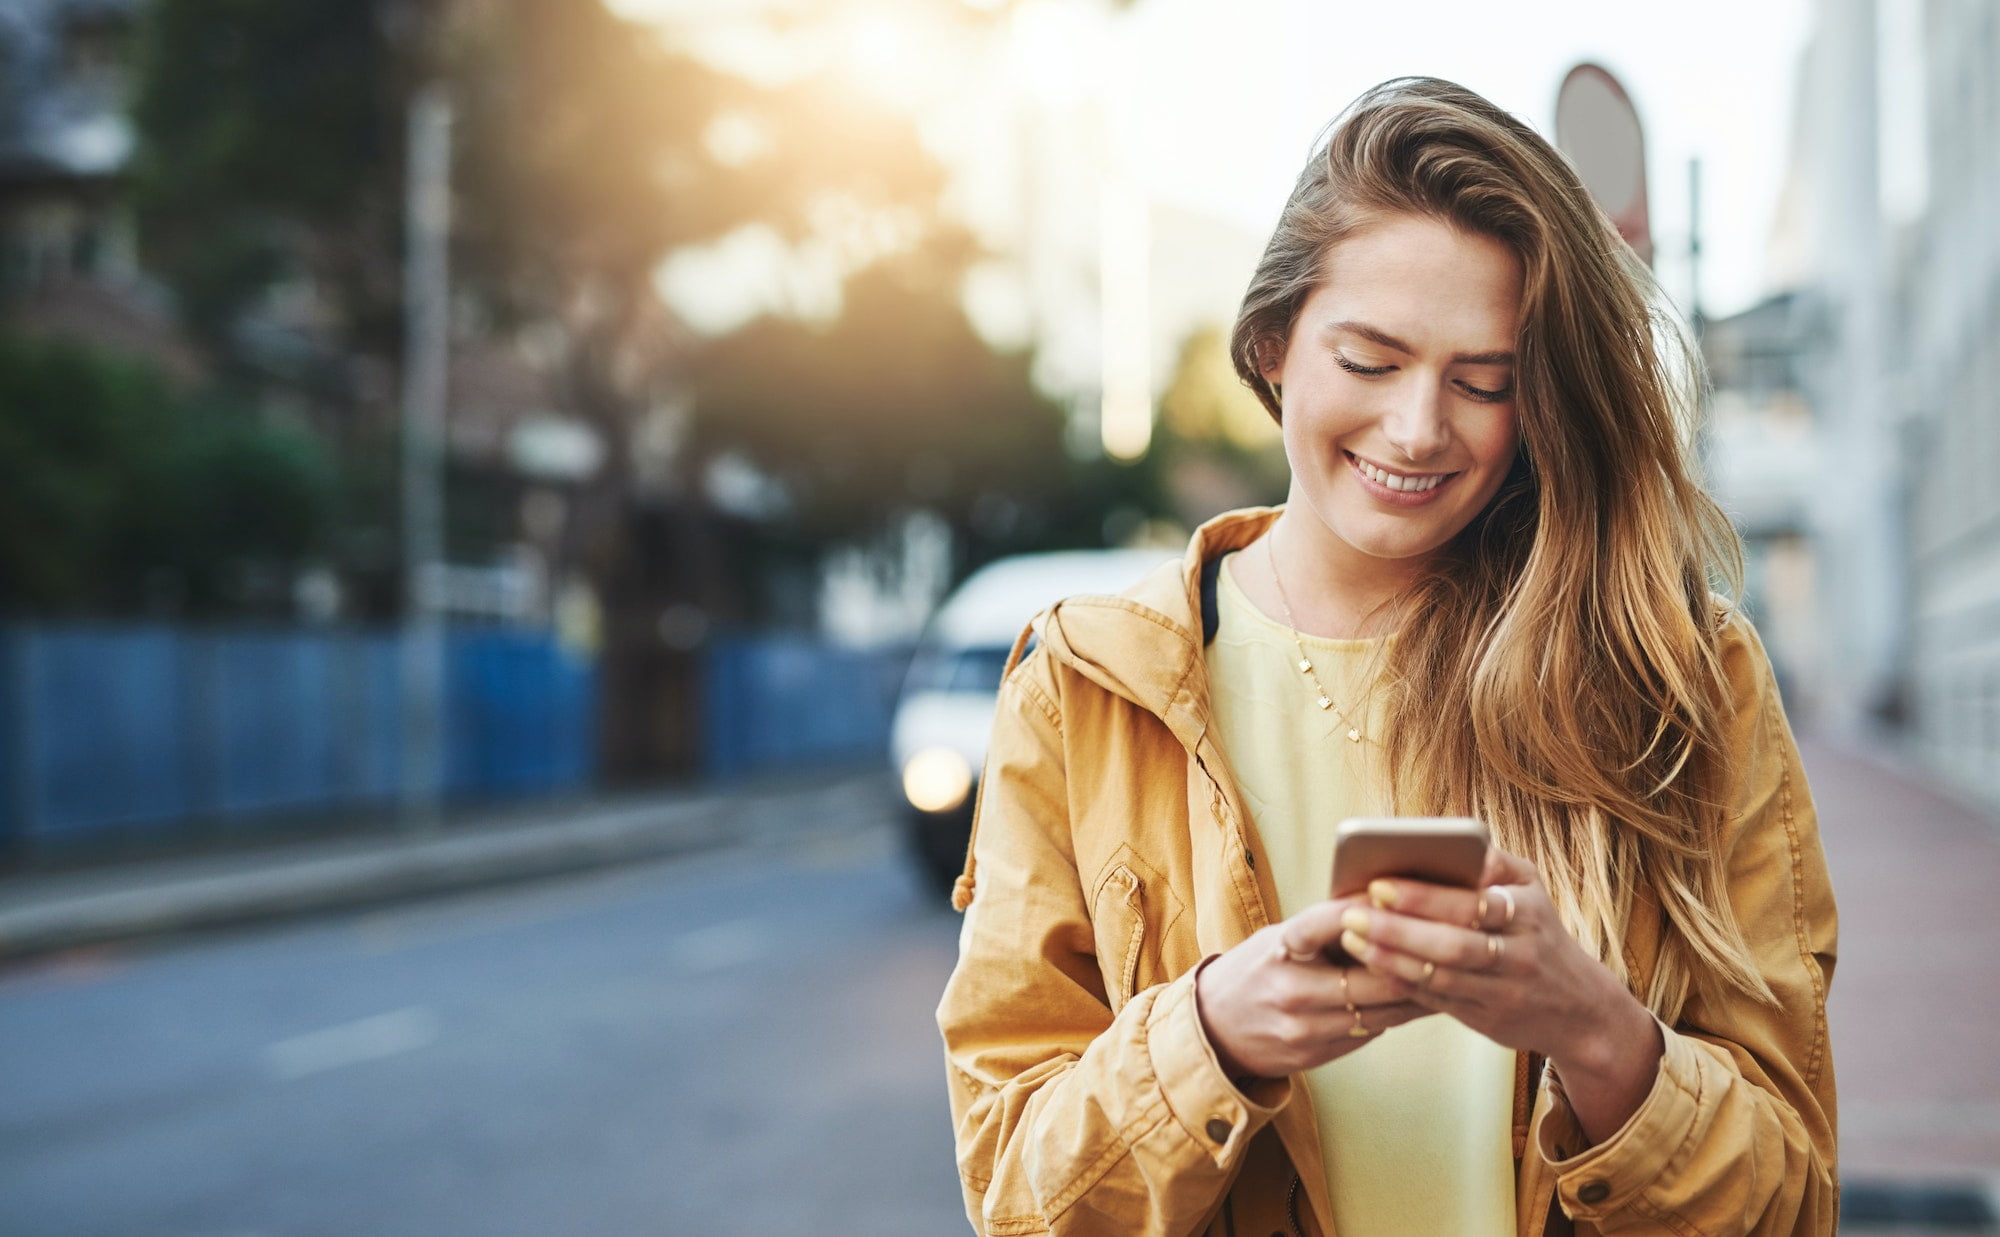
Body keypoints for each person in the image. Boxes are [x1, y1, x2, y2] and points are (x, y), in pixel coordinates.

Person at [936, 77, 1837, 1237]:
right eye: (1369, 361)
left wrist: (1600, 1037)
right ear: (1271, 343)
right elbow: (1018, 1197)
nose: (1418, 428)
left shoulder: (1681, 680)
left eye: (1483, 383)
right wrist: (1212, 1033)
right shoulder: (1083, 689)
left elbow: (1792, 1198)